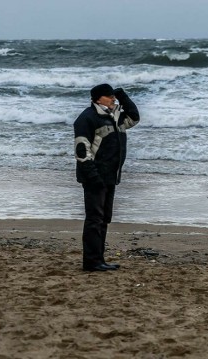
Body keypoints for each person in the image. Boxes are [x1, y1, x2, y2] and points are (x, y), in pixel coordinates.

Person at [73, 84, 140, 272]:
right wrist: (93, 177)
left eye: (113, 96)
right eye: (109, 96)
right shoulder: (87, 118)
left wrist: (122, 95)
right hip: (95, 178)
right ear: (97, 98)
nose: (113, 99)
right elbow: (81, 151)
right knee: (94, 219)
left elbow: (134, 117)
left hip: (110, 176)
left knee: (104, 219)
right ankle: (91, 262)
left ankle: (99, 259)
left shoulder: (116, 116)